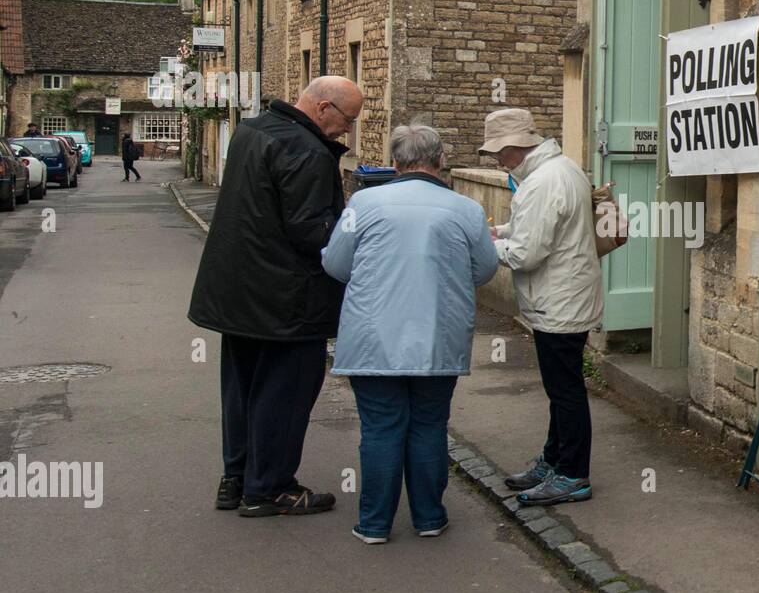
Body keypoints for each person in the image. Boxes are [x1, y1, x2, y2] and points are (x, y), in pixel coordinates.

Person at [188, 76, 363, 517]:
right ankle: (270, 489)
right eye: (348, 120)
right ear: (324, 108)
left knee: (241, 389)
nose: (349, 130)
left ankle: (237, 478)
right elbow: (312, 231)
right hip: (287, 299)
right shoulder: (307, 151)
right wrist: (355, 234)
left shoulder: (252, 130)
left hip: (238, 292)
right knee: (284, 395)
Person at [322, 125, 497, 544]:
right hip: (437, 336)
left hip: (373, 337)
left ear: (395, 162)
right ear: (440, 161)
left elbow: (336, 265)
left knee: (381, 428)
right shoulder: (466, 209)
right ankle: (429, 517)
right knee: (429, 426)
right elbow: (485, 270)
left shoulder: (362, 202)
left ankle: (375, 523)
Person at [479, 107, 602, 505]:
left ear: (515, 147)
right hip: (563, 298)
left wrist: (485, 245)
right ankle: (554, 461)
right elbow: (538, 226)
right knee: (561, 388)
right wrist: (501, 230)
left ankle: (571, 474)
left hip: (559, 302)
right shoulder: (559, 170)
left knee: (565, 391)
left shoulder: (542, 182)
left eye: (498, 153)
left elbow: (527, 253)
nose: (496, 161)